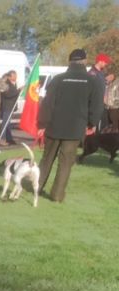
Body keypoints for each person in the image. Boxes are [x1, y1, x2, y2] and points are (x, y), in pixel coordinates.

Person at [37, 49, 105, 204]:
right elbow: (96, 105)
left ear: (70, 61)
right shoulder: (92, 80)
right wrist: (92, 123)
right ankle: (57, 195)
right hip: (75, 128)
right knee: (66, 163)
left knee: (46, 159)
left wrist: (42, 124)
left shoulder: (59, 79)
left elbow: (47, 103)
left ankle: (36, 187)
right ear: (85, 61)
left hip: (54, 126)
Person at [0, 70, 20, 146]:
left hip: (11, 106)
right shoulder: (6, 84)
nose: (16, 77)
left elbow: (14, 93)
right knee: (5, 123)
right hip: (7, 106)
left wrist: (18, 91)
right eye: (15, 76)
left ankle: (9, 138)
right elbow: (7, 94)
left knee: (8, 124)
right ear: (10, 76)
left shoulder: (13, 84)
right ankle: (2, 138)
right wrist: (18, 91)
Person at [105, 68, 119, 133]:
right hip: (110, 107)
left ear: (111, 75)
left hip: (115, 108)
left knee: (115, 125)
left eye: (107, 77)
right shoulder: (110, 83)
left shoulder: (117, 83)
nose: (106, 79)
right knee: (112, 124)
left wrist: (114, 103)